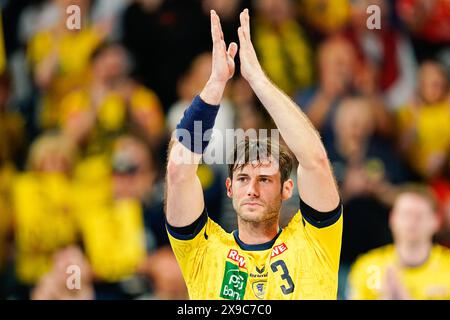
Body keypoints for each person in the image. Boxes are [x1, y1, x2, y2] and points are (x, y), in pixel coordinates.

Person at [165, 9, 342, 300]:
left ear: (288, 189)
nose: (252, 189)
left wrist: (258, 81)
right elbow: (178, 171)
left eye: (265, 179)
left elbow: (315, 161)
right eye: (244, 178)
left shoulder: (314, 242)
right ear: (230, 187)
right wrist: (216, 85)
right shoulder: (203, 251)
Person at [347, 186, 450, 299]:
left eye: (420, 215)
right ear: (392, 218)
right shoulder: (367, 267)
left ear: (436, 221)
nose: (412, 222)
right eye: (406, 214)